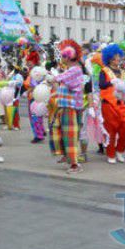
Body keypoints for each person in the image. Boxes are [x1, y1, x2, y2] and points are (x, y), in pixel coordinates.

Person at [51, 40, 85, 175]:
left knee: (70, 135)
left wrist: (52, 76)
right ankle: (67, 156)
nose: (61, 58)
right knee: (61, 132)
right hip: (65, 106)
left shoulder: (75, 70)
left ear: (68, 57)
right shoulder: (71, 70)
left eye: (63, 56)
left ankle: (75, 164)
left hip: (70, 107)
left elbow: (59, 78)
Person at [98, 45, 125, 165]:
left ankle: (120, 150)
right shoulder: (104, 71)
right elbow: (101, 85)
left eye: (118, 57)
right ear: (110, 59)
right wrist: (111, 82)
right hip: (108, 104)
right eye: (115, 57)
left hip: (122, 104)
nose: (117, 59)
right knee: (110, 131)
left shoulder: (123, 72)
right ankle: (111, 153)